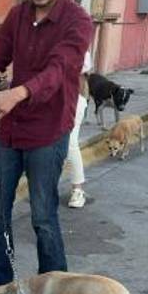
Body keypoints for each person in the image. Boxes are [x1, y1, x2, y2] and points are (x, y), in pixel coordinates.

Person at [0, 0, 93, 294]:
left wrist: (18, 93)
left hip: (48, 129)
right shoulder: (17, 15)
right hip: (10, 128)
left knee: (43, 215)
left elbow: (59, 69)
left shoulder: (78, 21)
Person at [66, 51, 93, 208]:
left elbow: (81, 78)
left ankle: (77, 189)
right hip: (46, 99)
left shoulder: (78, 45)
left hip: (73, 99)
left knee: (70, 142)